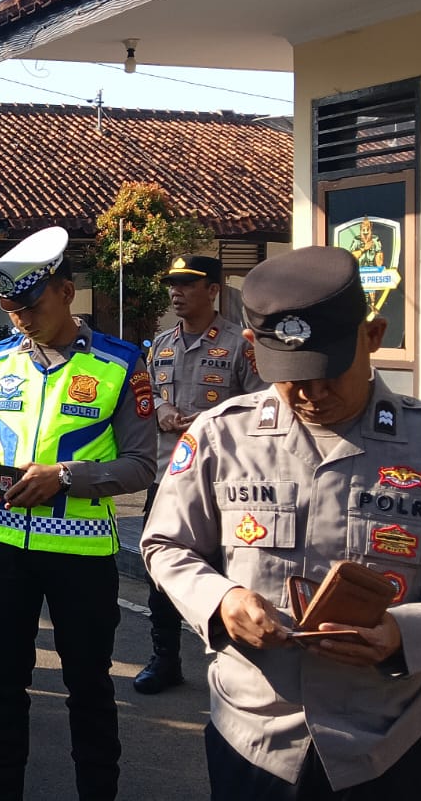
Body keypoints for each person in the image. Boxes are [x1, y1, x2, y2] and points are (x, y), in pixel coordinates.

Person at [141, 246, 421, 801]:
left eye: (329, 370)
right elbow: (166, 545)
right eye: (291, 376)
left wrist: (406, 633)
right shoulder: (219, 436)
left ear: (373, 336)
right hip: (254, 739)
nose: (312, 393)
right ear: (252, 348)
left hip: (390, 743)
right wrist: (221, 601)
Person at [0, 226, 155, 801]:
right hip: (2, 551)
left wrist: (65, 476)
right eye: (11, 308)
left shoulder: (122, 363)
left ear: (67, 292)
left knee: (89, 689)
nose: (21, 318)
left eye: (32, 305)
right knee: (2, 686)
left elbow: (141, 465)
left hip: (81, 556)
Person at [134, 255, 265, 695]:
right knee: (161, 572)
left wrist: (212, 420)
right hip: (168, 476)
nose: (177, 292)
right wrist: (162, 409)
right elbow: (147, 394)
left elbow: (262, 405)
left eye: (188, 284)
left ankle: (236, 667)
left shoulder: (239, 345)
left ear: (212, 290)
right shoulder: (161, 344)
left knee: (232, 573)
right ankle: (164, 659)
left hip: (226, 481)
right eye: (173, 284)